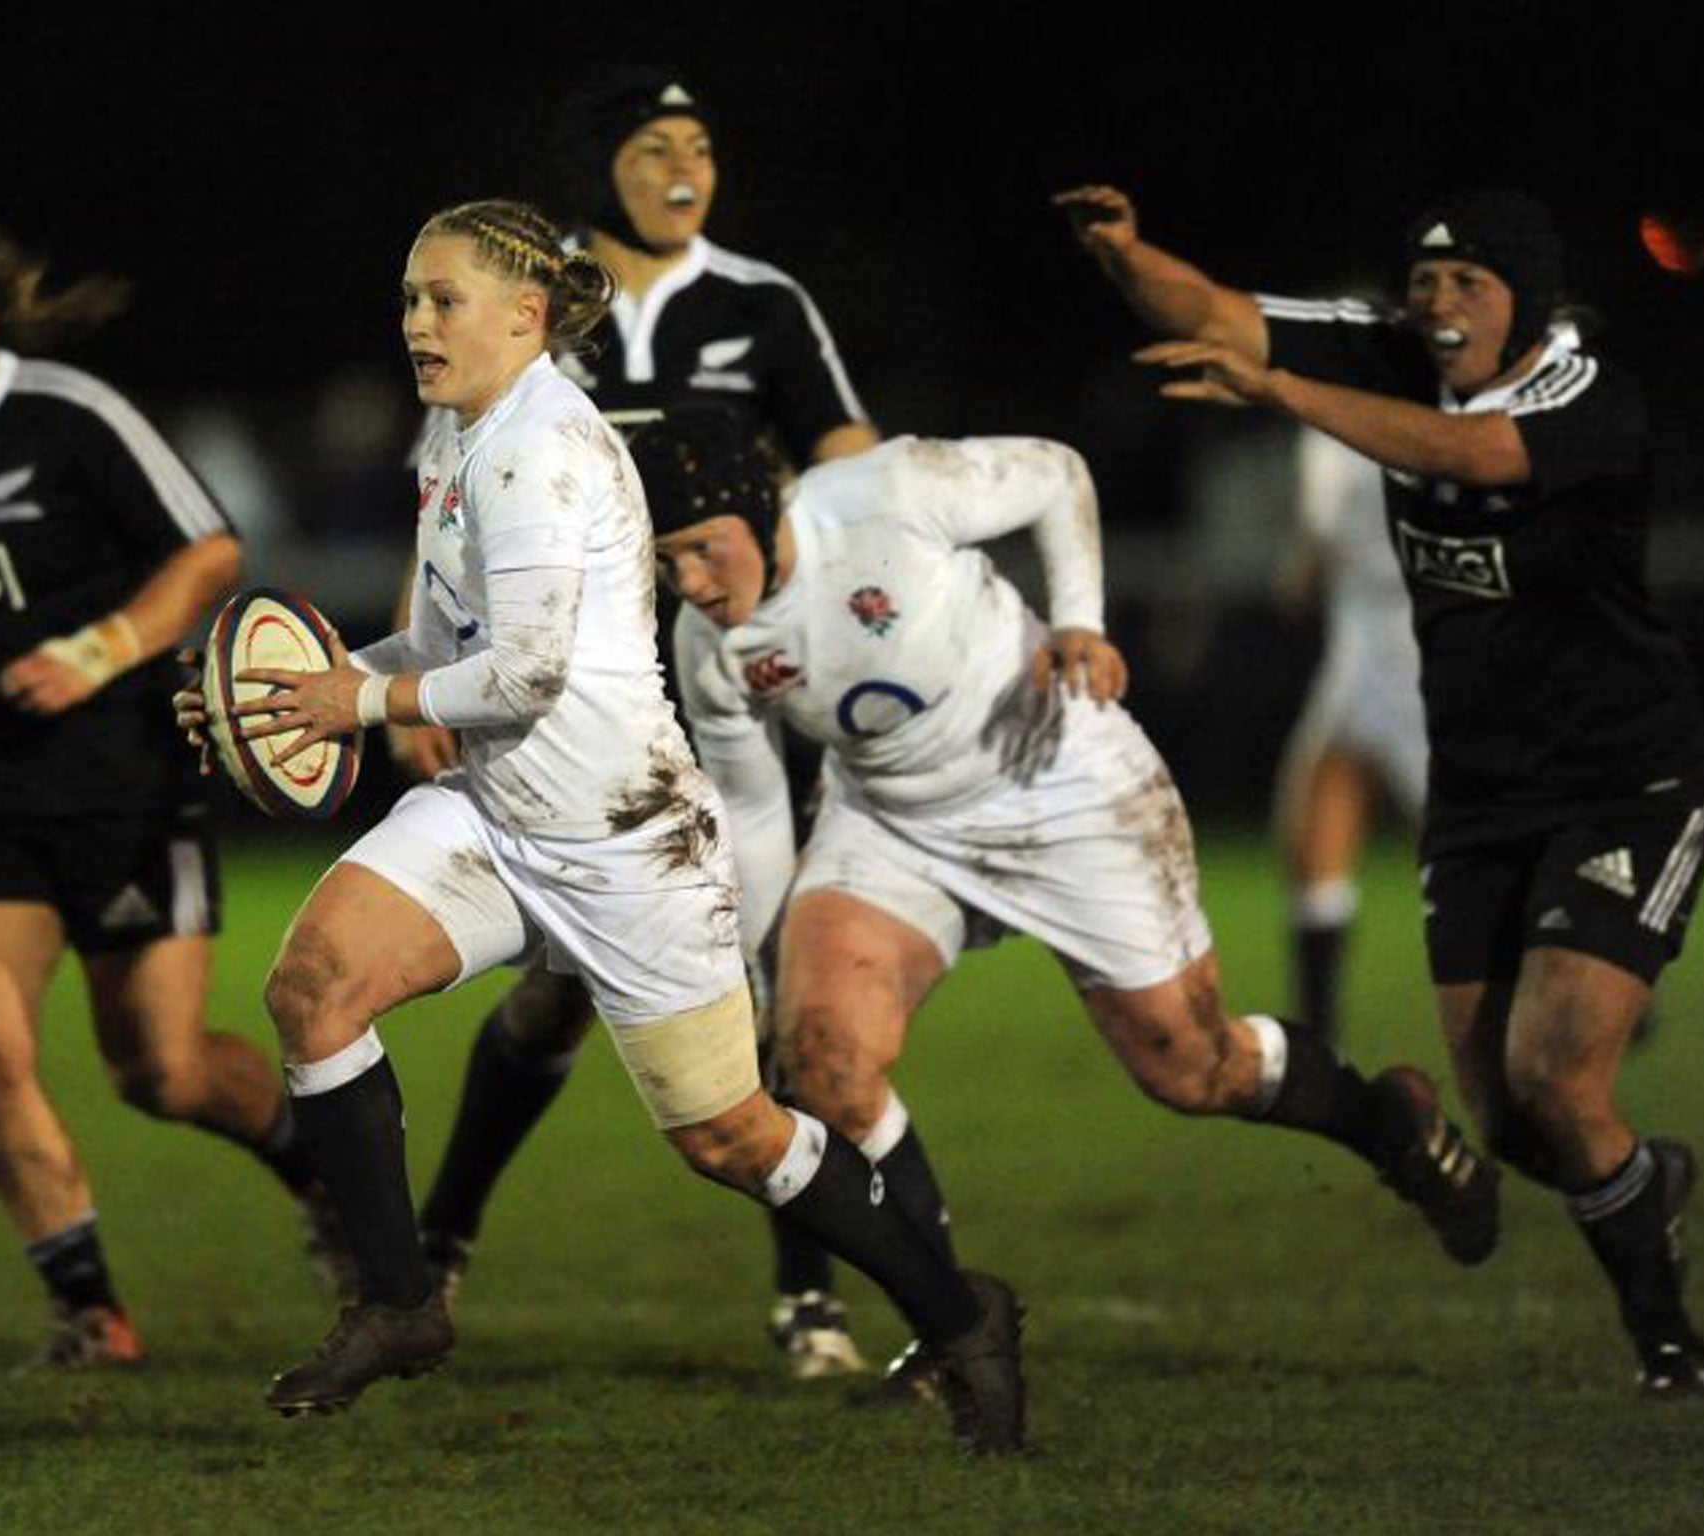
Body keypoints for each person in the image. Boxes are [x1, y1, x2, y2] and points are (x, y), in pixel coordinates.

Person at [181, 198, 1025, 1453]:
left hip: (628, 838)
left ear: (525, 316)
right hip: (494, 812)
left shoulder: (541, 451)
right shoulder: (454, 433)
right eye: (408, 297)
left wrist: (350, 702)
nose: (416, 321)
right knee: (313, 987)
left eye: (443, 299)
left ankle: (963, 1320)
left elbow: (523, 674)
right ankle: (401, 1302)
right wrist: (286, 702)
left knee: (728, 1134)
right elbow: (445, 645)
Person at [620, 407, 1500, 1388]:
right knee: (822, 1061)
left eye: (700, 549)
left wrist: (1078, 618)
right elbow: (750, 813)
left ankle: (1390, 1127)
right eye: (666, 563)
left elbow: (1054, 468)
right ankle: (955, 1328)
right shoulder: (708, 646)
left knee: (1191, 1067)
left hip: (1062, 783)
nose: (690, 582)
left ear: (758, 505)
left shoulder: (885, 493)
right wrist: (757, 967)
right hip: (892, 825)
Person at [1057, 181, 1704, 1395]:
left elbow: (1479, 453)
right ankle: (1646, 1184)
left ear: (1525, 302)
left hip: (1621, 780)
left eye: (1468, 284)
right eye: (1423, 285)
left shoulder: (1584, 395)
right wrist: (1125, 252)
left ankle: (1665, 1339)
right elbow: (1214, 310)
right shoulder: (1398, 353)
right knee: (1516, 1128)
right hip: (1477, 793)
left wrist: (1286, 394)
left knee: (1555, 1076)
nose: (1438, 306)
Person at [408, 67, 884, 1380]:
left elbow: (853, 459)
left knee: (774, 991)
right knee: (552, 1001)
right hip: (577, 719)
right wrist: (423, 662)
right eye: (654, 145)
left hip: (732, 702)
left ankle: (809, 1298)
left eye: (702, 145)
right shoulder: (527, 299)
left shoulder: (759, 304)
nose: (686, 166)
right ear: (596, 165)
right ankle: (439, 1246)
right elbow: (447, 480)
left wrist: (792, 538)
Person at [0, 203, 340, 1370]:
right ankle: (88, 1313)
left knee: (162, 1071)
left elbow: (209, 551)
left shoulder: (67, 416)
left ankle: (324, 1173)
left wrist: (99, 649)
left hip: (121, 786)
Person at [1270, 426, 1428, 1044]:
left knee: (1471, 846)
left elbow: (1316, 552)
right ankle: (1318, 1031)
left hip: (1415, 641)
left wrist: (1295, 575)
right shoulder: (1335, 419)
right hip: (1363, 640)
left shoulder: (1350, 421)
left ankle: (1595, 975)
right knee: (1313, 823)